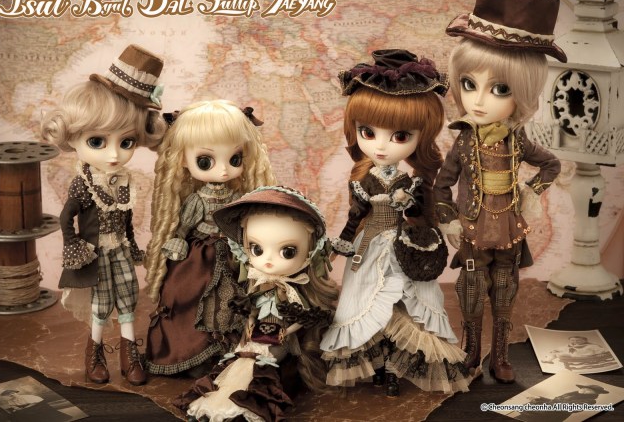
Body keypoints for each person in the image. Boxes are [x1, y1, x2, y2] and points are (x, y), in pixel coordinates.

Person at [434, 0, 566, 384]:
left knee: (505, 294)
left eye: (500, 89)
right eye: (468, 84)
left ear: (521, 94)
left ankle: (502, 356)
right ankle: (472, 352)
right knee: (472, 292)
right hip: (474, 232)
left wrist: (530, 193)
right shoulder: (464, 139)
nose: (478, 100)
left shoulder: (518, 140)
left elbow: (551, 166)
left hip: (508, 232)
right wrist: (448, 219)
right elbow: (441, 185)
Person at [319, 49, 470, 397]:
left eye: (400, 136)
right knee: (362, 299)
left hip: (401, 246)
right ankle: (375, 362)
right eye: (368, 132)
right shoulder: (362, 182)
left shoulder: (411, 181)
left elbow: (420, 213)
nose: (382, 146)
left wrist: (413, 207)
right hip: (369, 247)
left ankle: (394, 365)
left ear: (421, 137)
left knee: (411, 300)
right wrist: (340, 246)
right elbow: (354, 218)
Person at [40, 44, 167, 386]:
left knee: (129, 299)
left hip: (120, 250)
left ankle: (129, 355)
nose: (114, 154)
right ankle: (94, 352)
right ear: (74, 138)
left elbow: (126, 217)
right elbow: (66, 217)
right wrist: (74, 245)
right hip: (96, 254)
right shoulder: (83, 184)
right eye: (97, 141)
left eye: (126, 142)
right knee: (101, 304)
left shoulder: (123, 181)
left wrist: (132, 243)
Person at [174, 186, 339, 421]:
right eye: (257, 249)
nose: (268, 260)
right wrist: (250, 324)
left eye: (288, 251)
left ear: (311, 252)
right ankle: (215, 404)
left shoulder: (292, 293)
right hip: (256, 337)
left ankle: (245, 406)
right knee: (237, 361)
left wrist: (285, 332)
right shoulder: (258, 286)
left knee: (259, 365)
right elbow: (251, 310)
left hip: (279, 341)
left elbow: (303, 319)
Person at [144, 101, 276, 376]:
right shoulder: (197, 200)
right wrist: (178, 239)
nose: (224, 171)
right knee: (187, 295)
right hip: (199, 257)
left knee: (236, 302)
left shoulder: (238, 198)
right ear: (184, 159)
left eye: (234, 159)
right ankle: (193, 353)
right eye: (206, 161)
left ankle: (231, 351)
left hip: (233, 252)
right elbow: (184, 225)